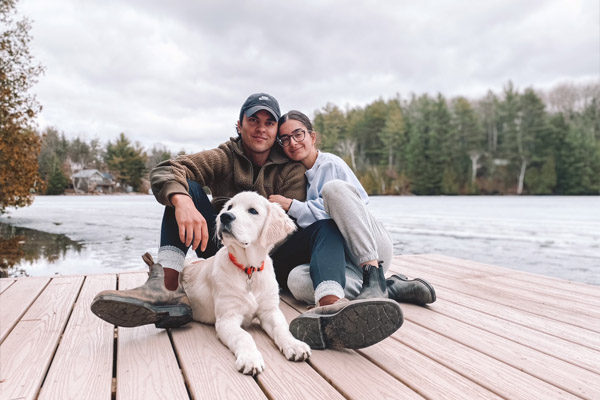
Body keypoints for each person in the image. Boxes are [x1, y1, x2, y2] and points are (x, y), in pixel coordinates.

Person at [90, 94, 402, 351]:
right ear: (240, 125)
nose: (261, 129)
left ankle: (332, 306)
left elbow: (292, 222)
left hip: (270, 254)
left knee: (324, 226)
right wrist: (182, 201)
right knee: (184, 187)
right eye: (253, 120)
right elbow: (166, 170)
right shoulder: (224, 156)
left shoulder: (290, 169)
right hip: (221, 247)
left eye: (269, 123)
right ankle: (166, 289)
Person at [269, 110, 436, 310]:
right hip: (343, 259)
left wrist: (292, 206)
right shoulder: (296, 177)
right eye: (285, 139)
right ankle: (390, 288)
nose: (293, 143)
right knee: (297, 281)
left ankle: (374, 275)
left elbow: (350, 208)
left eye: (298, 134)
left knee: (334, 190)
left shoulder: (331, 164)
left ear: (312, 137)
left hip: (369, 246)